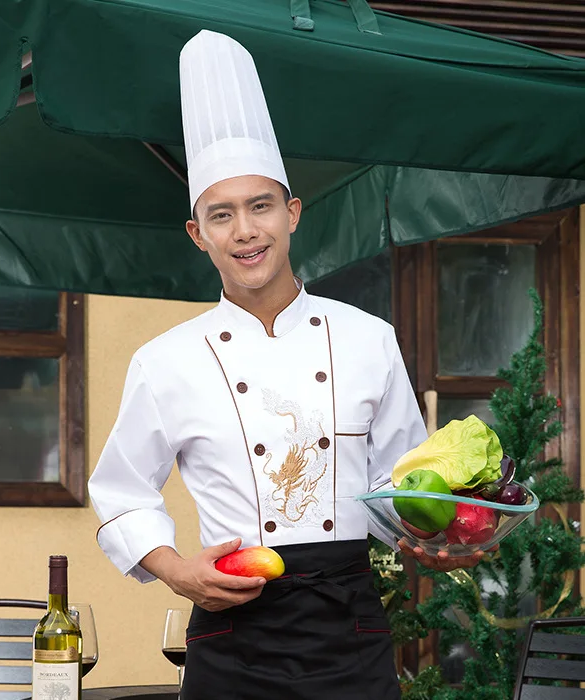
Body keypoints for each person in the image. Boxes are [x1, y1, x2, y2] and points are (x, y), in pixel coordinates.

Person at [89, 29, 488, 699]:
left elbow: (402, 492)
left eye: (260, 206)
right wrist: (178, 571)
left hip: (349, 628)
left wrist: (445, 531)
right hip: (231, 629)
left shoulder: (369, 339)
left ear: (292, 213)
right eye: (222, 215)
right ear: (198, 234)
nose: (245, 231)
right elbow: (121, 491)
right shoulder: (165, 362)